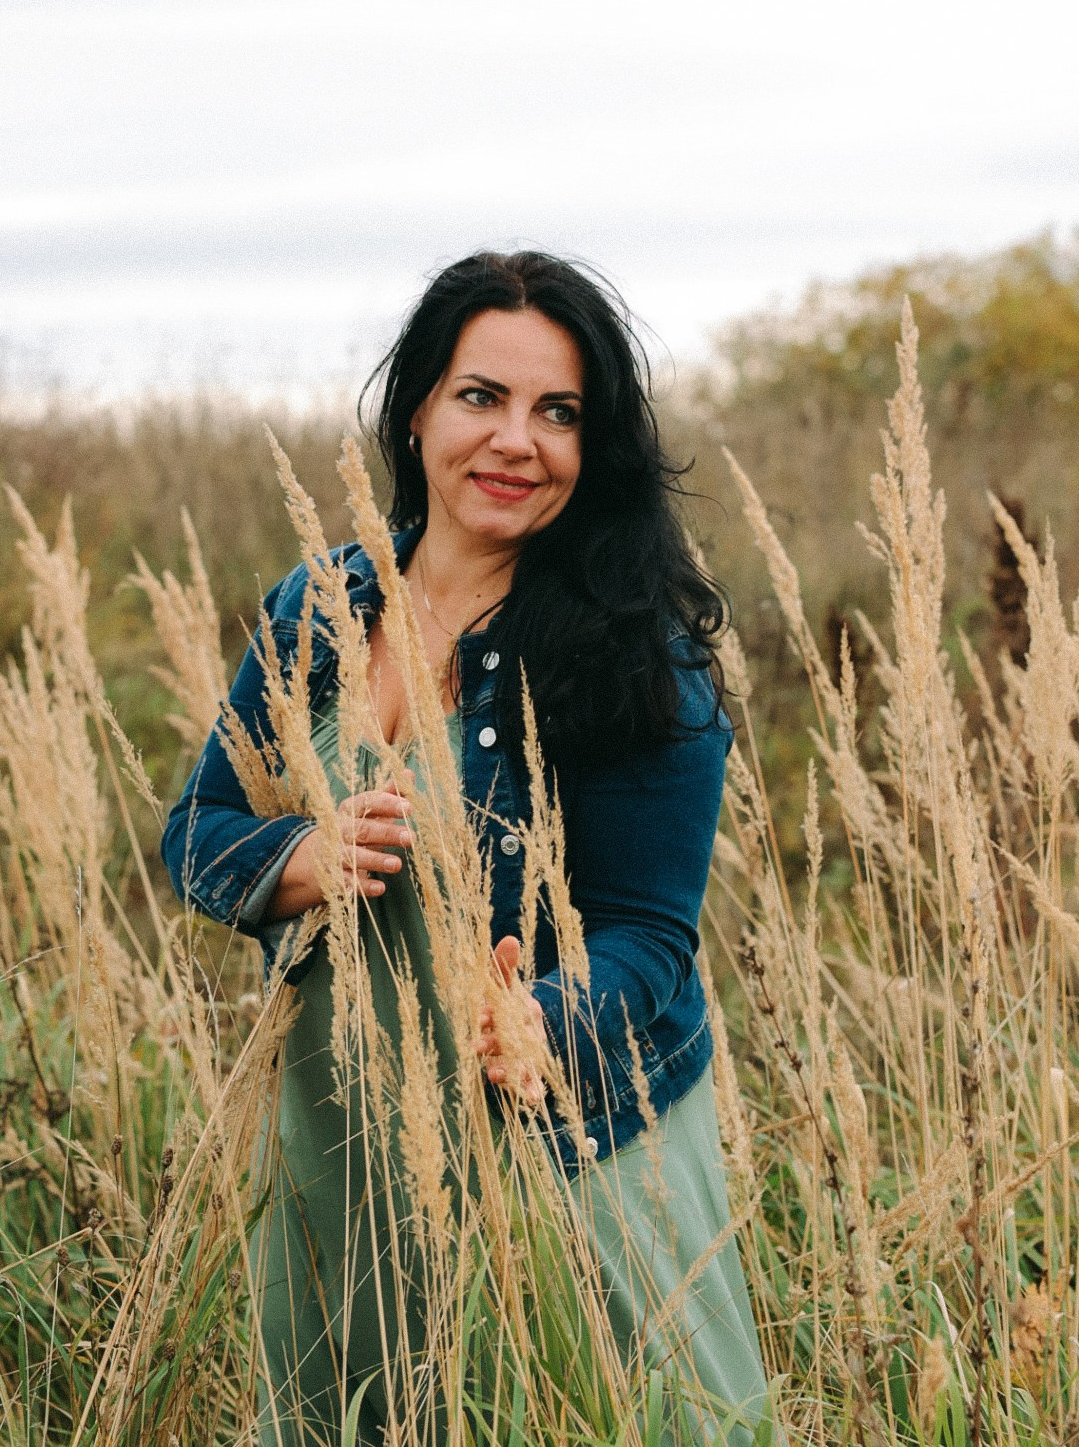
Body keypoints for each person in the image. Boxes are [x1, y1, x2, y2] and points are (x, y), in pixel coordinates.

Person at [161, 251, 770, 1444]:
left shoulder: (637, 651)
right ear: (419, 410)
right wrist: (302, 859)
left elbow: (648, 934)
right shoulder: (319, 607)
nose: (516, 442)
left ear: (595, 445)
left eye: (560, 413)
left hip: (556, 1139)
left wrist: (547, 1015)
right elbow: (197, 830)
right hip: (344, 1122)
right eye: (482, 397)